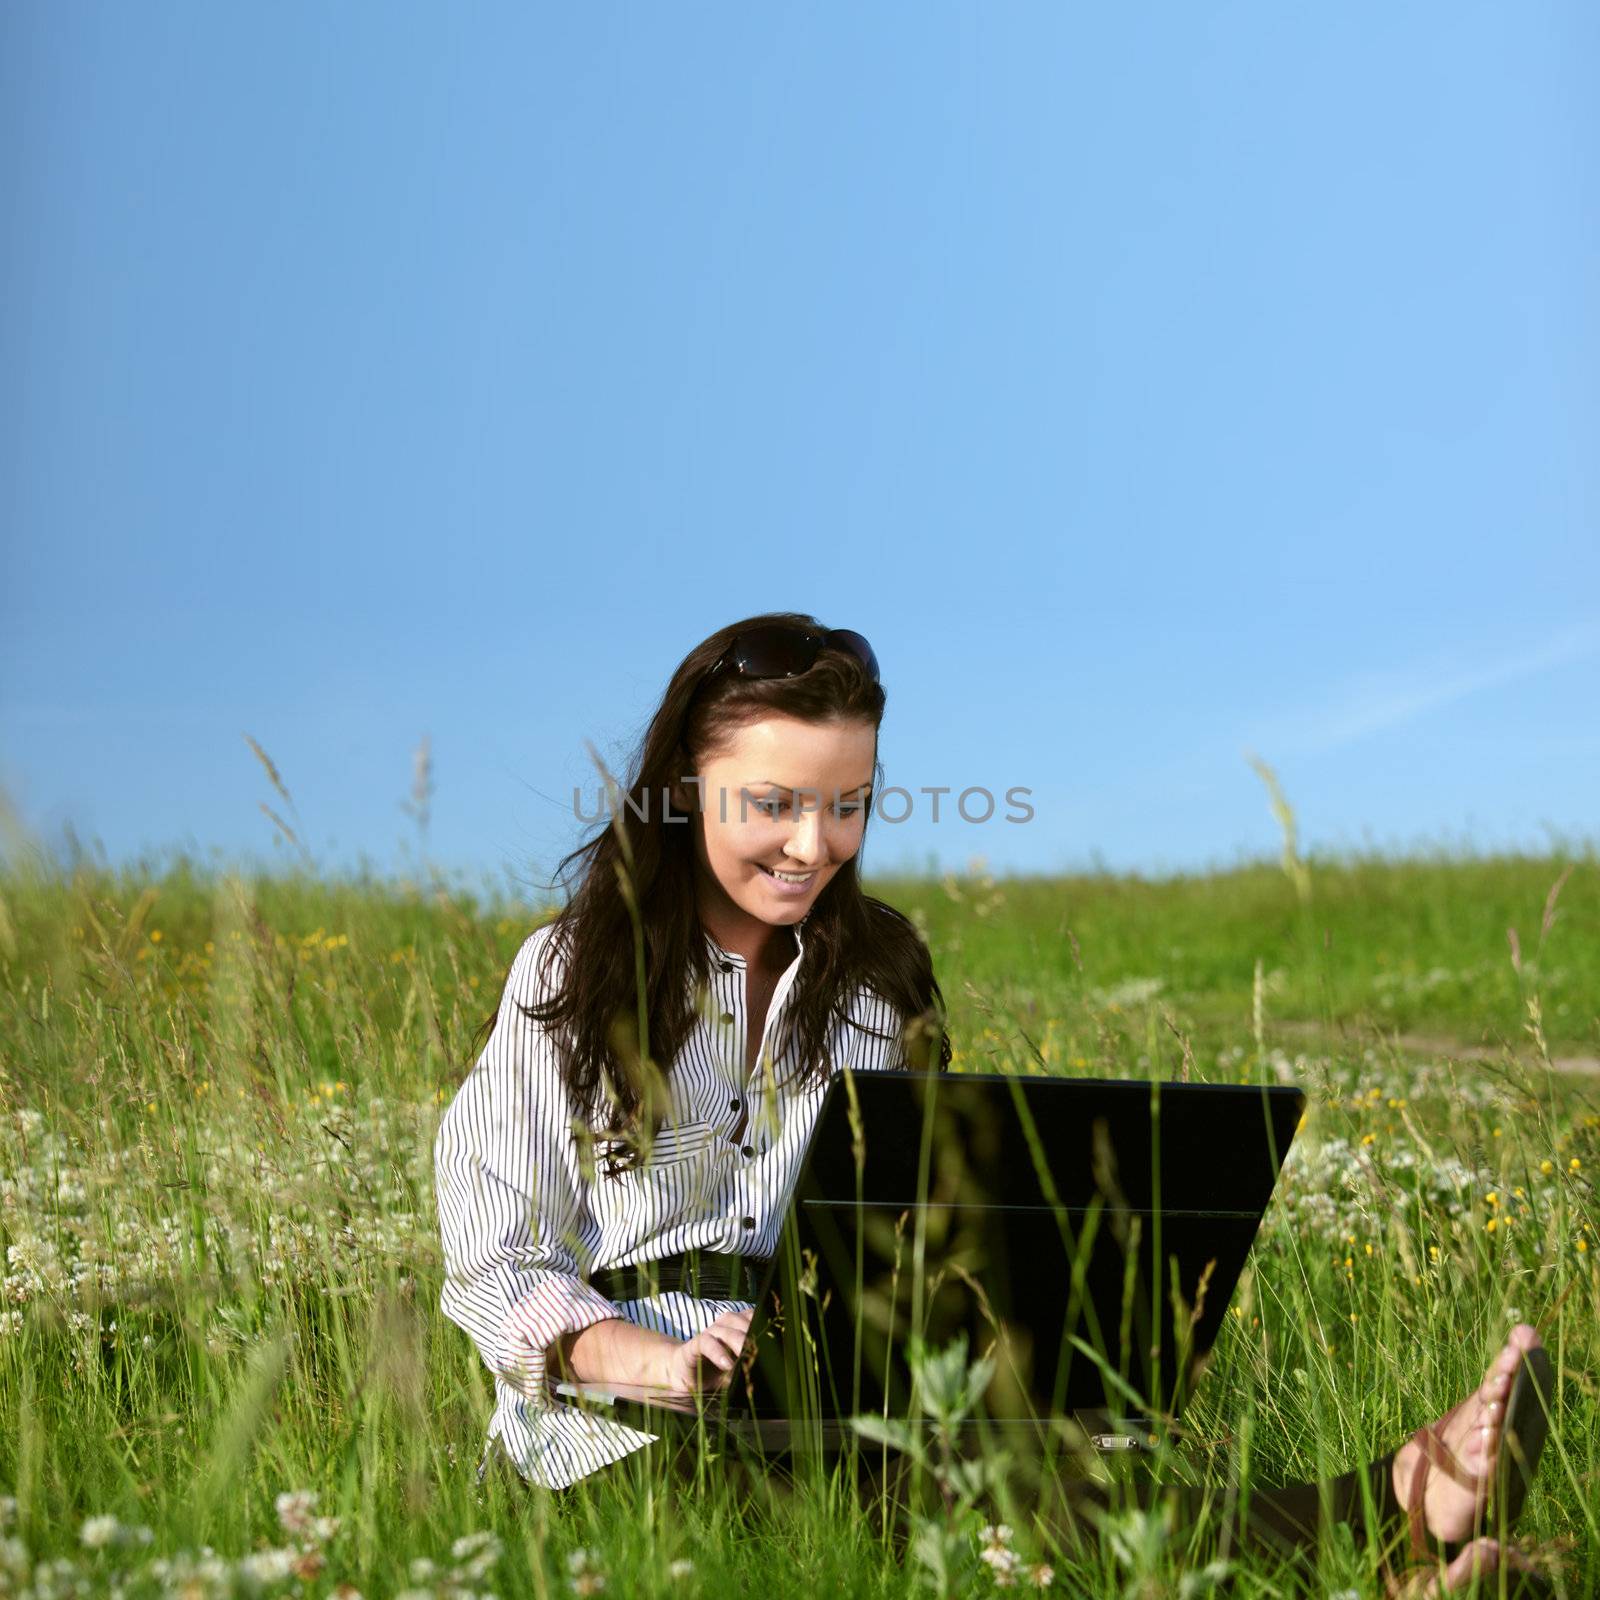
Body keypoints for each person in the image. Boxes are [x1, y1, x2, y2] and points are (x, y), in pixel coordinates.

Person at [433, 614, 1554, 1596]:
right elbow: (495, 1267)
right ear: (684, 783)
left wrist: (1039, 1343)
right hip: (609, 1439)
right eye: (772, 803)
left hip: (842, 1408)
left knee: (1018, 1484)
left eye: (847, 806)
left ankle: (1399, 1550)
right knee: (938, 1514)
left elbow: (924, 1232)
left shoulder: (879, 985)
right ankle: (1392, 1510)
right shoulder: (568, 973)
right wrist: (656, 1361)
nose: (812, 845)